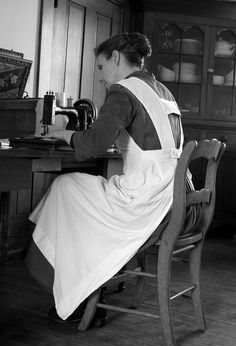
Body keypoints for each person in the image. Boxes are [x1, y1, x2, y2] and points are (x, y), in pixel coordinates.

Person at [25, 32, 184, 325]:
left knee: (64, 187)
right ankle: (86, 286)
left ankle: (79, 294)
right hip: (172, 197)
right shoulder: (162, 90)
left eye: (100, 68)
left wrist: (64, 133)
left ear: (115, 58)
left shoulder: (123, 90)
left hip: (144, 202)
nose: (101, 78)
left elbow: (92, 146)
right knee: (78, 195)